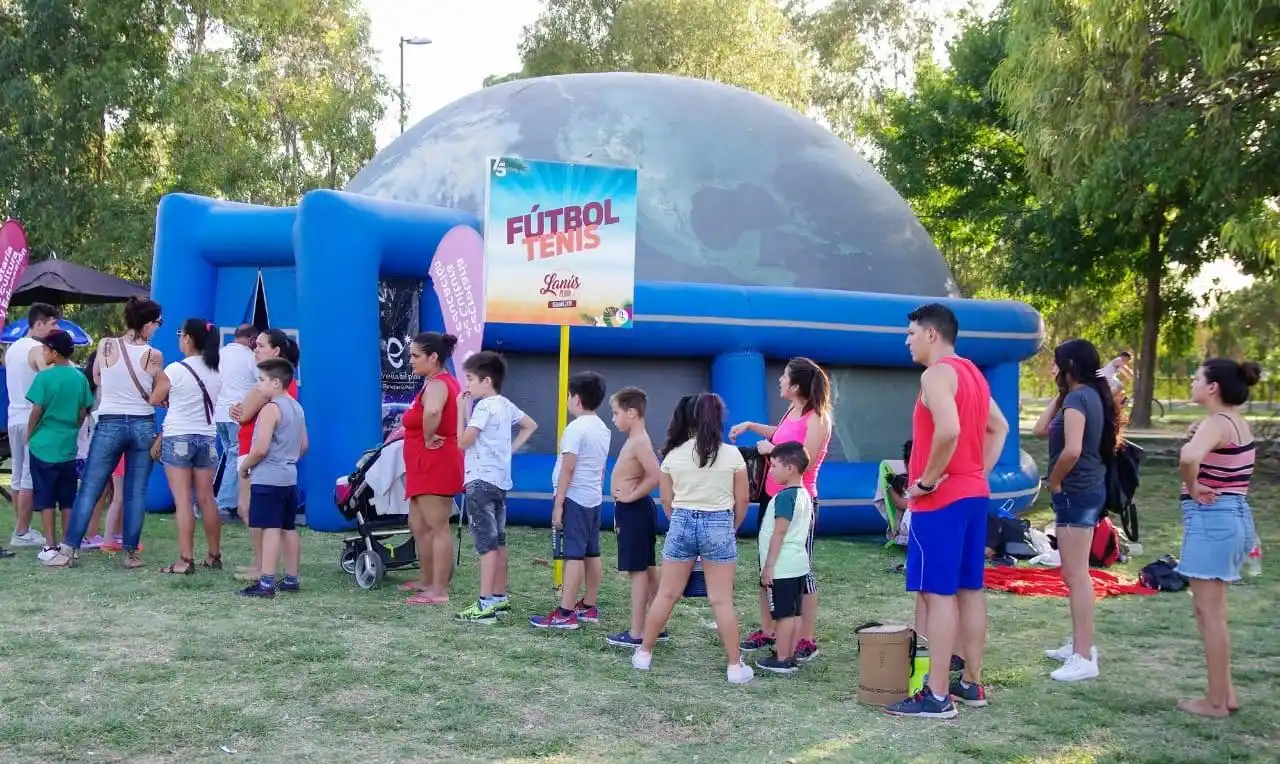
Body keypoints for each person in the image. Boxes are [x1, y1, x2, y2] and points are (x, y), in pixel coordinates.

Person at [884, 303, 1009, 719]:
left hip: (942, 501)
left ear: (932, 334)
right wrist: (974, 473)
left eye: (911, 332)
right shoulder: (973, 373)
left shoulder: (936, 374)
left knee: (937, 595)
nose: (907, 340)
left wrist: (928, 480)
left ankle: (937, 695)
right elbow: (1000, 428)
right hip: (973, 495)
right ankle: (972, 684)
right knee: (969, 591)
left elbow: (950, 430)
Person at [632, 393, 752, 683]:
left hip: (682, 521)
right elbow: (743, 500)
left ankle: (644, 654)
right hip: (719, 522)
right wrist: (729, 528)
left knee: (667, 594)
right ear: (719, 418)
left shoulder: (673, 455)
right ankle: (735, 667)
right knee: (721, 599)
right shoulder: (733, 455)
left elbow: (667, 501)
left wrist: (682, 521)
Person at [45, 296, 164, 569]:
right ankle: (131, 553)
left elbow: (97, 377)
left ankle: (68, 550)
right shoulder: (154, 355)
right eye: (157, 323)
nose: (158, 328)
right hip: (142, 423)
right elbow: (158, 387)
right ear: (146, 325)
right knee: (135, 492)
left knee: (89, 487)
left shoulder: (107, 345)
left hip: (109, 420)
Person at [729, 357, 832, 663]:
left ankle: (806, 639)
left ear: (797, 385)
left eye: (784, 377)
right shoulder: (793, 410)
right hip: (773, 498)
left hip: (798, 503)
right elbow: (782, 433)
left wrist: (770, 451)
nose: (779, 381)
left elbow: (806, 460)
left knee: (801, 572)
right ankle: (769, 629)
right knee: (768, 567)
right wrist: (750, 426)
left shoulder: (819, 418)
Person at [1174, 358, 1260, 718]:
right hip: (1235, 517)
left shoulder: (1216, 423)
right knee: (1212, 612)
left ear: (1212, 387)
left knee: (1210, 615)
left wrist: (1192, 486)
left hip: (1214, 520)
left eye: (1197, 378)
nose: (1192, 382)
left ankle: (1215, 703)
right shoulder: (1234, 422)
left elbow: (1188, 456)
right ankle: (1227, 695)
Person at [1032, 339, 1117, 682]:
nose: (1051, 368)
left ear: (1069, 366)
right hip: (1081, 492)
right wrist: (1061, 391)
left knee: (1078, 575)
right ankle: (1078, 644)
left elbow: (1072, 450)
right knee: (1071, 574)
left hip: (1077, 493)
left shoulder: (1081, 398)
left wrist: (1054, 482)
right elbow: (1039, 430)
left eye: (1056, 364)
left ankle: (1084, 655)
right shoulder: (1080, 396)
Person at [453, 351, 538, 623]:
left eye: (470, 379)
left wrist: (459, 411)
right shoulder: (505, 405)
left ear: (486, 380)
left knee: (486, 544)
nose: (467, 385)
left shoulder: (484, 407)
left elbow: (463, 441)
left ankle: (485, 602)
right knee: (499, 540)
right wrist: (508, 452)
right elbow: (530, 425)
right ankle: (499, 597)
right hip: (499, 481)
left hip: (479, 481)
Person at [531, 371, 611, 629]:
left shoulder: (575, 428)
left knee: (573, 556)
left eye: (567, 396)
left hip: (575, 498)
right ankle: (588, 606)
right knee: (591, 552)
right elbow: (600, 469)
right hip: (593, 497)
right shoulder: (603, 428)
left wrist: (558, 504)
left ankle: (565, 613)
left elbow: (568, 468)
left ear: (576, 398)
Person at [150, 319, 224, 574]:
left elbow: (155, 398)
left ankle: (185, 559)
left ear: (189, 339)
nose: (179, 338)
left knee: (183, 501)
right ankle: (214, 555)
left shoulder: (175, 369)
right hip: (207, 438)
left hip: (178, 437)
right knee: (207, 499)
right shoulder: (216, 370)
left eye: (181, 334)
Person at [230, 329, 299, 582]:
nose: (255, 349)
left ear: (276, 351)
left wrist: (240, 409)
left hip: (256, 452)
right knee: (265, 517)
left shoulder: (271, 385)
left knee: (251, 511)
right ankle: (264, 564)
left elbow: (243, 413)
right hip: (268, 456)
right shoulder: (278, 385)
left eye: (260, 345)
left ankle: (263, 565)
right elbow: (239, 410)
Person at [401, 332, 464, 606]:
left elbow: (434, 412)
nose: (410, 361)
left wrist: (427, 437)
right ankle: (427, 579)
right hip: (422, 464)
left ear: (433, 357)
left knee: (437, 527)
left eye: (416, 356)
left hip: (435, 461)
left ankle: (439, 590)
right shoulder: (432, 382)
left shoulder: (439, 384)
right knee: (418, 524)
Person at [237, 357, 307, 597]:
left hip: (268, 477)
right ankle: (291, 578)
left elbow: (260, 448)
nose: (258, 385)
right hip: (289, 477)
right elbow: (304, 445)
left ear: (276, 383)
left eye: (261, 380)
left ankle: (266, 582)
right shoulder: (296, 407)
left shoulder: (270, 408)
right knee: (288, 527)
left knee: (270, 528)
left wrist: (245, 466)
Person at [25, 330, 95, 562]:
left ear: (54, 353)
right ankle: (67, 545)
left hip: (43, 446)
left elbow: (36, 410)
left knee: (45, 498)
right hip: (67, 447)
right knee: (67, 498)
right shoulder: (79, 378)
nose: (42, 353)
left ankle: (49, 546)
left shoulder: (44, 378)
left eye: (45, 349)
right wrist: (72, 426)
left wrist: (30, 434)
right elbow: (84, 412)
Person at [604, 386, 665, 648]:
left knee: (638, 571)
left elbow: (656, 474)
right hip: (632, 511)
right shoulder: (636, 438)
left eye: (616, 413)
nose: (614, 418)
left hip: (636, 509)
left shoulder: (639, 440)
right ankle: (657, 624)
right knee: (648, 570)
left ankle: (638, 632)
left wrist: (631, 496)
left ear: (631, 412)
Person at [755, 441, 815, 675]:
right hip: (798, 565)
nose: (771, 470)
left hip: (783, 567)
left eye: (774, 466)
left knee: (782, 615)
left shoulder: (784, 498)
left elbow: (779, 532)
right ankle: (789, 655)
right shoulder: (804, 495)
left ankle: (782, 659)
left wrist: (769, 566)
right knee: (794, 612)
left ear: (790, 468)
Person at [6, 302, 61, 550]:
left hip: (13, 416)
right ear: (39, 323)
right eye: (52, 323)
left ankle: (22, 527)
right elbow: (47, 376)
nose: (55, 328)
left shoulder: (12, 348)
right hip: (31, 417)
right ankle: (21, 531)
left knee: (17, 476)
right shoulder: (38, 348)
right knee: (28, 477)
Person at [214, 324, 259, 522]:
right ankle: (225, 503)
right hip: (239, 414)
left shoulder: (219, 355)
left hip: (219, 415)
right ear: (251, 339)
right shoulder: (250, 358)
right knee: (236, 458)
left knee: (230, 455)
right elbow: (262, 383)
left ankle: (229, 500)